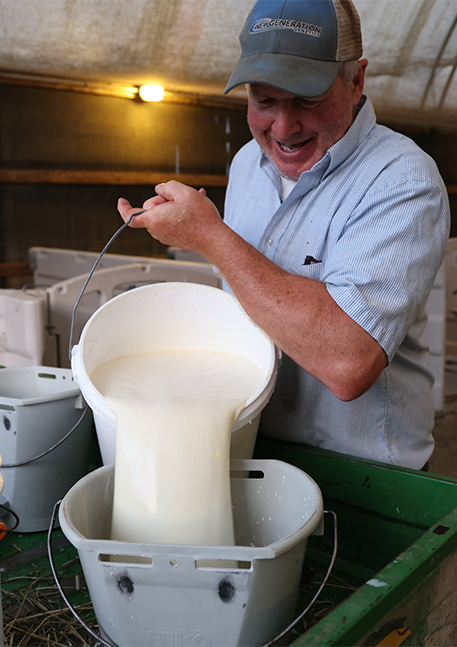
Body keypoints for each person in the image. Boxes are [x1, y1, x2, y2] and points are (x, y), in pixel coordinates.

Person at [117, 0, 450, 469]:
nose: (284, 127)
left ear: (356, 81)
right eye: (264, 100)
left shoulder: (402, 180)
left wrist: (211, 237)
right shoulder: (247, 166)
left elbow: (349, 363)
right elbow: (244, 301)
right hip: (253, 446)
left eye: (306, 99)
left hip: (366, 476)